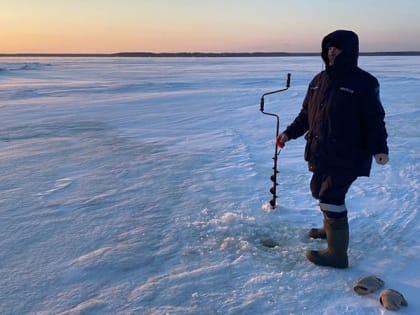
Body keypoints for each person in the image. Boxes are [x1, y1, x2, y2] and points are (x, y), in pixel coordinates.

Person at [277, 30, 389, 268]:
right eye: (328, 48)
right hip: (322, 150)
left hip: (349, 154)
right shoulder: (318, 81)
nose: (331, 53)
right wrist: (288, 133)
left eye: (336, 49)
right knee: (318, 190)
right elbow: (307, 115)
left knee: (331, 196)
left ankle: (337, 255)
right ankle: (330, 229)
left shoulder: (365, 82)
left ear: (349, 52)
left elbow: (375, 119)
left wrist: (380, 148)